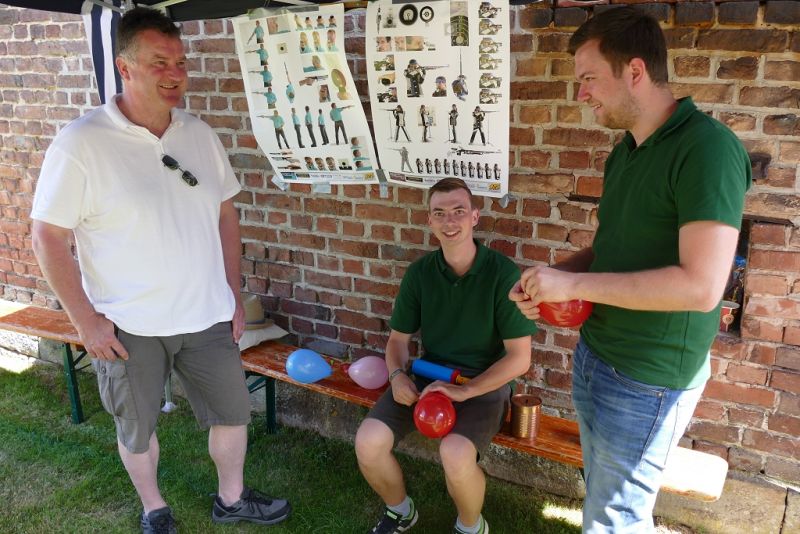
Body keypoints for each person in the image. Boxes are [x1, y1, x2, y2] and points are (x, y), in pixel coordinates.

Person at [29, 8, 291, 533]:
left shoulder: (198, 133)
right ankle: (154, 509)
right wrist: (86, 322)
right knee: (137, 426)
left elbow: (225, 213)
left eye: (180, 63)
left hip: (207, 314)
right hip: (129, 324)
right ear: (125, 68)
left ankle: (232, 499)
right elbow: (47, 236)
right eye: (159, 63)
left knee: (232, 412)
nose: (174, 74)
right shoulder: (81, 143)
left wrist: (232, 293)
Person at [508, 8, 751, 533]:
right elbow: (610, 252)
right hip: (596, 355)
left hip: (649, 379)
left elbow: (702, 286)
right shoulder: (625, 152)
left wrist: (574, 283)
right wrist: (550, 279)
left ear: (635, 71)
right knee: (601, 496)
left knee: (614, 519)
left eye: (588, 78)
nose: (581, 94)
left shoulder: (707, 149)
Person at [355, 178, 537, 534]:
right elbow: (397, 340)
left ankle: (470, 527)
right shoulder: (420, 273)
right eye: (439, 213)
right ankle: (400, 511)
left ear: (475, 217)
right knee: (368, 441)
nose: (449, 221)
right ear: (429, 221)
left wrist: (466, 391)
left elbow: (519, 358)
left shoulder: (502, 273)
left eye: (458, 211)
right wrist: (397, 376)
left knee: (454, 454)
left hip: (483, 383)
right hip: (429, 376)